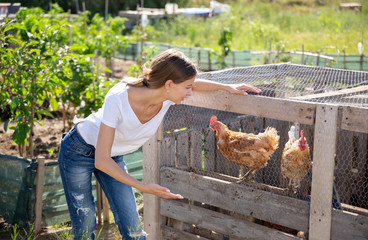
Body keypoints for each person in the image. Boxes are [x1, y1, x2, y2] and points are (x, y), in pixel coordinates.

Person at [58, 49, 261, 240]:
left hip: (112, 155)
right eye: (187, 88)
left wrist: (227, 87)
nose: (190, 92)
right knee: (85, 224)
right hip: (78, 151)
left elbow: (195, 84)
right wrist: (143, 187)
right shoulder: (118, 98)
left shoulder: (168, 97)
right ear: (169, 84)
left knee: (134, 229)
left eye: (190, 86)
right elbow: (101, 160)